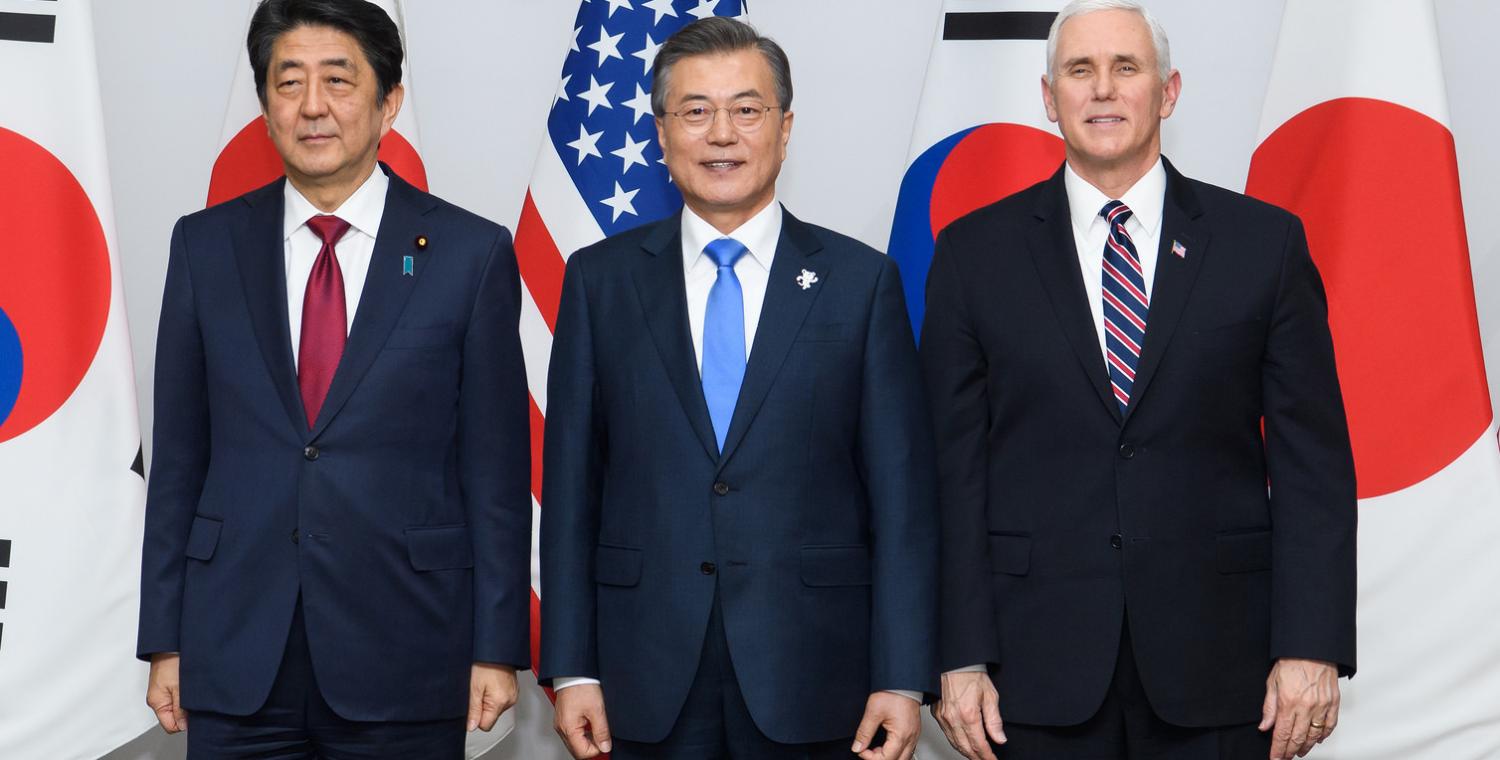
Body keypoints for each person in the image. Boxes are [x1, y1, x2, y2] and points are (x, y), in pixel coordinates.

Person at [922, 2, 1356, 759]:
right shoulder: (971, 255)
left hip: (1223, 668)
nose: (1103, 90)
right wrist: (958, 655)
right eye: (1079, 71)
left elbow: (1312, 465)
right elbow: (948, 474)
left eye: (1126, 68)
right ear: (1049, 98)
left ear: (1169, 91)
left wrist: (1311, 645)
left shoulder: (1264, 246)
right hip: (1031, 671)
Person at [136, 0, 531, 755]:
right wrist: (165, 637)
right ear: (264, 105)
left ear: (389, 101)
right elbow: (179, 462)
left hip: (408, 647)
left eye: (338, 80)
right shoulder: (205, 247)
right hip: (234, 649)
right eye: (288, 83)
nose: (312, 106)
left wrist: (496, 645)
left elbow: (497, 475)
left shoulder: (468, 254)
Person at [540, 16, 937, 760]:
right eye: (695, 111)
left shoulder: (861, 284)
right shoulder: (600, 281)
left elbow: (903, 499)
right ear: (661, 133)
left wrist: (904, 676)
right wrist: (573, 667)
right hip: (641, 674)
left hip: (818, 674)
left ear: (785, 129)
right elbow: (570, 492)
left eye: (746, 110)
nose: (721, 133)